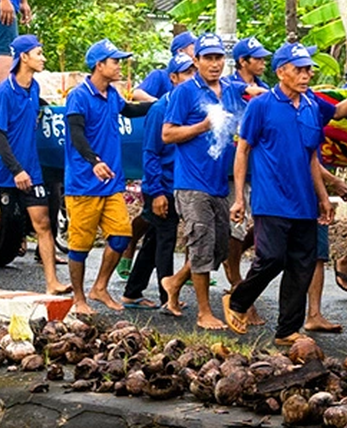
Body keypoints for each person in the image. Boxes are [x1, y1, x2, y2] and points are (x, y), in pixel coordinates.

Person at [227, 43, 331, 346]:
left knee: (302, 265)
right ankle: (238, 300)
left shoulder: (311, 106)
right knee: (271, 258)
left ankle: (287, 330)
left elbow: (312, 157)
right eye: (298, 69)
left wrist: (323, 196)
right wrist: (239, 198)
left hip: (304, 202)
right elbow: (243, 149)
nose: (306, 74)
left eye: (308, 69)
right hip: (271, 198)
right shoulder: (262, 105)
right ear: (281, 71)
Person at [159, 34, 249, 330]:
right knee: (201, 245)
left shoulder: (231, 90)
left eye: (219, 57)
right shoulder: (185, 92)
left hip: (219, 184)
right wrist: (201, 126)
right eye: (208, 58)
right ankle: (204, 312)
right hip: (191, 182)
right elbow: (167, 135)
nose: (214, 63)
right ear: (195, 61)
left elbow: (254, 91)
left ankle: (173, 282)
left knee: (220, 249)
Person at [0, 35, 66, 295]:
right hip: (1, 171)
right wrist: (16, 170)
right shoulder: (4, 92)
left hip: (32, 169)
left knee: (43, 224)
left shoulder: (34, 87)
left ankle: (52, 282)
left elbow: (38, 108)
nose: (43, 58)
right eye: (39, 53)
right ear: (24, 57)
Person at [63, 40, 135, 313]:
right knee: (80, 246)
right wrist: (94, 161)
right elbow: (77, 134)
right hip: (84, 183)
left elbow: (128, 110)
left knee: (120, 236)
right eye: (114, 61)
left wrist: (162, 103)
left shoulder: (112, 94)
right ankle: (78, 299)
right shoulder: (79, 96)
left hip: (112, 182)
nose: (119, 66)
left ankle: (100, 287)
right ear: (99, 65)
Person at [125, 54, 192, 310]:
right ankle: (168, 297)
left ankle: (132, 291)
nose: (191, 78)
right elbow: (150, 153)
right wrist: (157, 191)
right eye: (186, 73)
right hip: (161, 185)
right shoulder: (160, 109)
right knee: (165, 239)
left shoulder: (190, 107)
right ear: (173, 78)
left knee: (154, 238)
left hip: (178, 182)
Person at [135, 33, 195, 102]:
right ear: (181, 51)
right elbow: (137, 93)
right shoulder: (160, 75)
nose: (198, 53)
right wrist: (161, 104)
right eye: (194, 49)